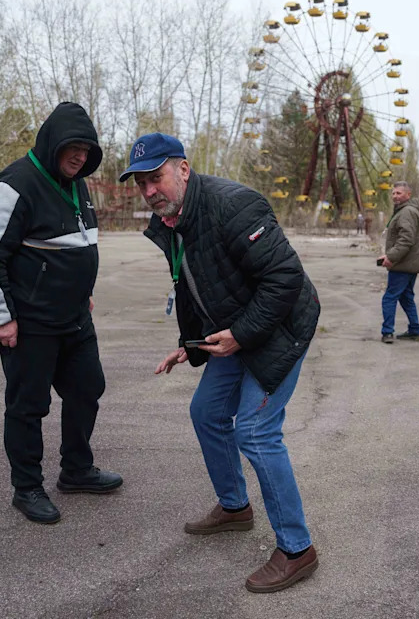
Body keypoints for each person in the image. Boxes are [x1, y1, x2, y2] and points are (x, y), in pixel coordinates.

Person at [122, 132, 321, 593]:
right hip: (238, 331)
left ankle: (297, 548)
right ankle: (235, 507)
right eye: (141, 183)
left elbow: (285, 278)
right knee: (207, 413)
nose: (150, 190)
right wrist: (190, 346)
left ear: (183, 169)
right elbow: (193, 289)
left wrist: (241, 336)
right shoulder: (174, 221)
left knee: (255, 429)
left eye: (156, 177)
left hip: (281, 328)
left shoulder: (235, 206)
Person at [0, 102, 122, 525]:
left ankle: (76, 470)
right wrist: (0, 318)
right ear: (51, 141)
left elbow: (77, 244)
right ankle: (27, 487)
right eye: (73, 147)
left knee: (88, 389)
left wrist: (83, 291)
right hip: (30, 323)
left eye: (87, 150)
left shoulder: (77, 184)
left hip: (74, 318)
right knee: (28, 405)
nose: (80, 157)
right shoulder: (16, 184)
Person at [378, 181, 419, 343]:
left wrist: (391, 257)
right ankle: (415, 330)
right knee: (406, 297)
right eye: (393, 193)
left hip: (403, 265)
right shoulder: (406, 211)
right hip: (409, 264)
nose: (395, 196)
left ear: (408, 195)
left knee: (389, 298)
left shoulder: (407, 212)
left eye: (399, 193)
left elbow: (406, 240)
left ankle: (387, 332)